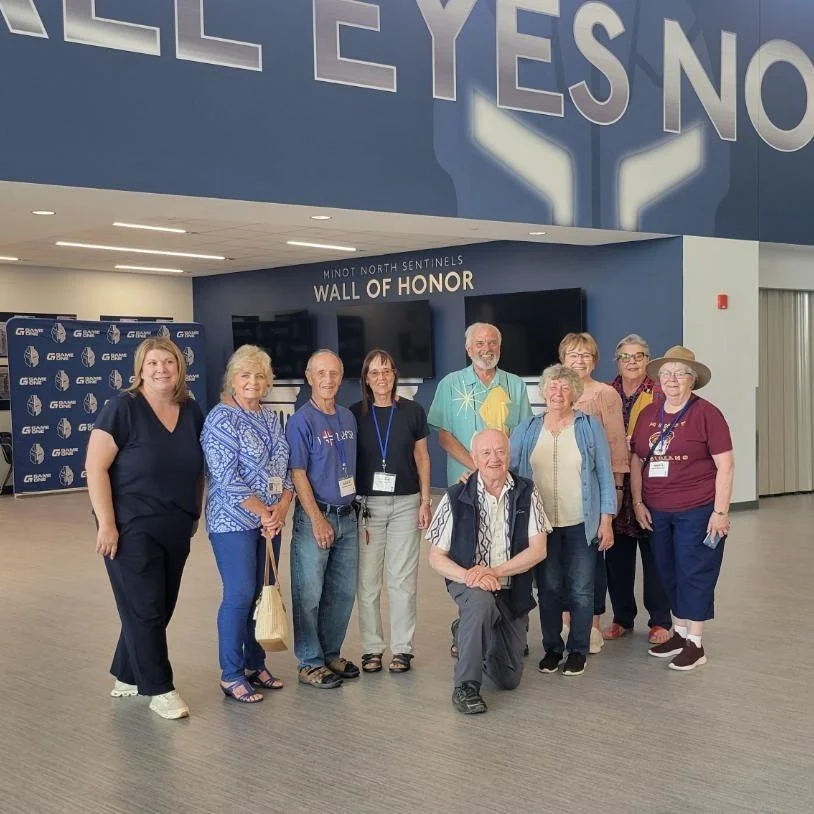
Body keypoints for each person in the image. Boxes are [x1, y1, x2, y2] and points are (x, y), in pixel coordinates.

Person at [86, 336, 204, 720]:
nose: (161, 370)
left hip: (176, 524)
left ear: (179, 367)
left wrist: (194, 513)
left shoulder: (191, 410)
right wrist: (106, 524)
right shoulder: (122, 408)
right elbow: (96, 468)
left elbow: (199, 467)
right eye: (152, 363)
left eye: (168, 362)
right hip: (130, 527)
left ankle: (127, 673)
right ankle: (159, 687)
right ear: (140, 370)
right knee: (146, 608)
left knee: (159, 606)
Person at [427, 429, 550, 714]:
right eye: (486, 453)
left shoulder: (527, 491)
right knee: (480, 602)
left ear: (509, 455)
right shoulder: (456, 496)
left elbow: (538, 550)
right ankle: (466, 686)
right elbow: (436, 557)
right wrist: (471, 576)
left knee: (508, 679)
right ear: (473, 458)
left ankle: (468, 632)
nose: (494, 458)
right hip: (468, 582)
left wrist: (492, 571)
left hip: (510, 586)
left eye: (500, 451)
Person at [630, 346, 734, 671]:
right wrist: (637, 502)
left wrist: (720, 512)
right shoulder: (649, 413)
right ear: (658, 379)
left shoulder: (707, 414)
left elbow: (726, 466)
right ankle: (679, 632)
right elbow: (637, 460)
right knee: (667, 571)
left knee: (695, 572)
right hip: (657, 509)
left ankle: (696, 643)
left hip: (698, 509)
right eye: (666, 373)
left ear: (693, 379)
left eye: (679, 373)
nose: (672, 379)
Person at [201, 345, 294, 703]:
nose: (253, 382)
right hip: (234, 521)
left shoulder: (271, 419)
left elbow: (285, 469)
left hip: (271, 521)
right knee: (240, 594)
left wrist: (281, 509)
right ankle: (231, 672)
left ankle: (256, 663)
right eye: (245, 375)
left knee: (263, 592)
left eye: (259, 376)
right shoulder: (220, 419)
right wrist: (263, 512)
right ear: (232, 380)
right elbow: (225, 476)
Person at [510, 364, 616, 677]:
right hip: (540, 525)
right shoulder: (527, 427)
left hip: (581, 522)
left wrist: (606, 519)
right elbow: (509, 469)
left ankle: (578, 650)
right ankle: (553, 648)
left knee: (582, 590)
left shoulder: (589, 425)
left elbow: (604, 474)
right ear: (543, 391)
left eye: (565, 387)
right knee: (549, 588)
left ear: (574, 392)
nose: (557, 393)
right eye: (552, 387)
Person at [350, 349, 432, 674]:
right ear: (366, 379)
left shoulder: (413, 411)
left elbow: (423, 458)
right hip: (367, 506)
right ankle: (371, 648)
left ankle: (402, 649)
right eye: (374, 372)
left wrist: (426, 501)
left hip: (406, 504)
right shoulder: (354, 414)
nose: (381, 378)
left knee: (402, 581)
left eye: (386, 371)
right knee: (368, 583)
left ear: (395, 374)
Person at [285, 349, 359, 689]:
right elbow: (297, 472)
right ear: (309, 377)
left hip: (348, 517)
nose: (327, 380)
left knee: (342, 593)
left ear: (341, 377)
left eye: (333, 373)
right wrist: (316, 519)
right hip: (317, 517)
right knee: (309, 593)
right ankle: (309, 662)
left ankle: (330, 653)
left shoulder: (347, 417)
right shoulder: (302, 420)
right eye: (320, 373)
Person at [559, 332, 627, 654]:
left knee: (591, 563)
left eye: (586, 355)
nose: (580, 361)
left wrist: (614, 496)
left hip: (596, 494)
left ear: (595, 360)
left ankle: (593, 627)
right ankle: (566, 625)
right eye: (573, 355)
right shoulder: (558, 392)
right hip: (561, 496)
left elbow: (616, 448)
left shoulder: (605, 395)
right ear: (563, 359)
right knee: (562, 563)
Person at [603, 334, 672, 645]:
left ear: (648, 360)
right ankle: (622, 618)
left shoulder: (660, 392)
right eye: (626, 357)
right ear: (617, 362)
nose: (632, 362)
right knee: (616, 558)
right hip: (615, 482)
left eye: (639, 356)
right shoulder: (606, 392)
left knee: (656, 556)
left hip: (652, 483)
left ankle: (660, 620)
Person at [428, 322, 532, 486]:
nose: (487, 348)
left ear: (499, 348)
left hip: (504, 479)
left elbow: (523, 433)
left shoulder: (516, 385)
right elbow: (444, 437)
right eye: (479, 343)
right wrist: (479, 468)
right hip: (463, 479)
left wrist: (497, 470)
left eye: (492, 343)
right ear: (469, 350)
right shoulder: (449, 384)